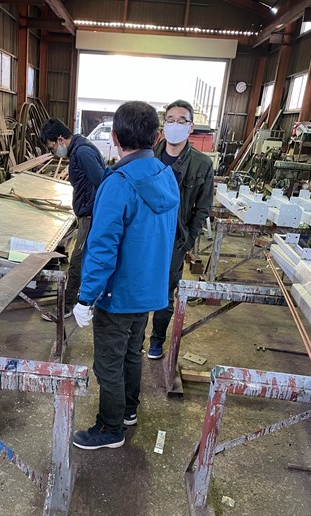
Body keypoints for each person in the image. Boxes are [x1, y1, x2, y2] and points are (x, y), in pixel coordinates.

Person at [71, 101, 180, 450]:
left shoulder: (118, 183)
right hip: (148, 291)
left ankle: (110, 427)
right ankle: (128, 410)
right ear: (157, 136)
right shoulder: (166, 176)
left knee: (108, 362)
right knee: (132, 353)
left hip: (117, 294)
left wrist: (86, 297)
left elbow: (102, 248)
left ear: (115, 137)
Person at [148, 99, 214, 359]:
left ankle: (156, 341)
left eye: (181, 121)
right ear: (164, 125)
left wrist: (187, 241)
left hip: (175, 239)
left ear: (191, 126)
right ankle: (134, 338)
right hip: (145, 236)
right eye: (171, 120)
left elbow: (203, 208)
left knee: (165, 292)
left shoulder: (201, 164)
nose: (175, 125)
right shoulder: (148, 156)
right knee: (138, 285)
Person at [40, 118, 105, 319]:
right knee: (82, 259)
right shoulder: (79, 150)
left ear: (60, 139)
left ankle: (67, 306)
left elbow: (102, 182)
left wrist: (93, 211)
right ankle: (80, 300)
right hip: (87, 213)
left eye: (52, 147)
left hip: (90, 216)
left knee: (77, 261)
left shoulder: (82, 152)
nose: (53, 152)